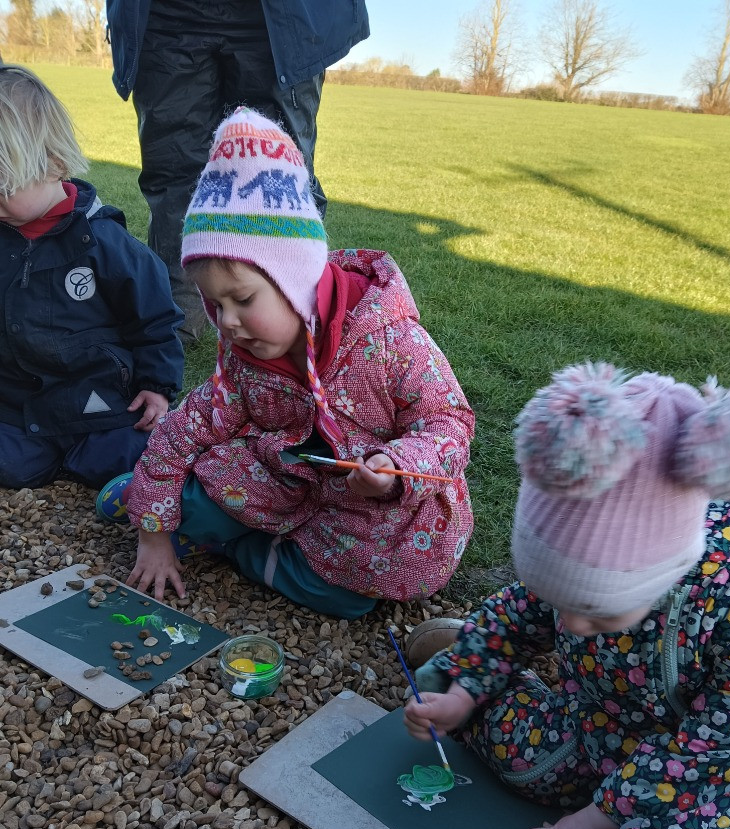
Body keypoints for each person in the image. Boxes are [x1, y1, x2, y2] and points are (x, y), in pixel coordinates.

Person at [405, 362, 730, 829]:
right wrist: (465, 692)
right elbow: (522, 612)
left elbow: (716, 748)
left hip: (709, 763)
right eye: (560, 601)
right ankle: (465, 662)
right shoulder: (578, 537)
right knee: (471, 711)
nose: (570, 625)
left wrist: (603, 818)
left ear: (667, 573)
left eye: (597, 613)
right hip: (599, 720)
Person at [97, 107, 474, 620]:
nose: (226, 323)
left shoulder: (389, 340)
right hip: (275, 479)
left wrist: (398, 467)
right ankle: (157, 503)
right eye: (215, 304)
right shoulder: (245, 361)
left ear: (297, 280)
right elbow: (179, 433)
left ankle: (241, 549)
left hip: (364, 511)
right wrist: (154, 532)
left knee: (357, 594)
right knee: (190, 502)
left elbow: (450, 422)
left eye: (243, 299)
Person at [105, 0, 370, 346]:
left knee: (283, 177)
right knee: (173, 173)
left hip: (284, 17)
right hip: (166, 17)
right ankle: (176, 320)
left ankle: (298, 311)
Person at [0, 64, 184, 491]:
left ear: (54, 163)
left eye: (4, 186)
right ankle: (49, 461)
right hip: (19, 405)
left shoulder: (105, 243)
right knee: (11, 467)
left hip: (96, 403)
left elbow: (155, 321)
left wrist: (157, 388)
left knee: (132, 457)